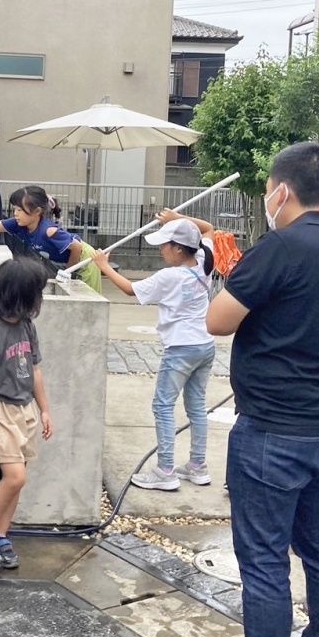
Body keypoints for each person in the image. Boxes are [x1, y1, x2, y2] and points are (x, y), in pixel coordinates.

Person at [206, 142, 319, 637]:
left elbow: (217, 320)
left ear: (282, 191)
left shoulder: (279, 247)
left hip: (271, 432)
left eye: (267, 191)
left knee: (264, 562)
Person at [93, 210, 215, 490]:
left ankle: (165, 471)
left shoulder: (169, 276)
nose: (160, 249)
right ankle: (197, 467)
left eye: (164, 244)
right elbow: (208, 229)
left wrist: (104, 266)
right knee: (197, 407)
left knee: (163, 406)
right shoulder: (204, 259)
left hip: (181, 348)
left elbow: (130, 290)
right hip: (205, 345)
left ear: (178, 248)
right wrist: (176, 217)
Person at [0, 257, 53, 569]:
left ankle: (2, 534)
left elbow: (35, 370)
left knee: (18, 479)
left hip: (24, 408)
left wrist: (44, 410)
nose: (39, 299)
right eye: (37, 293)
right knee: (15, 476)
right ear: (21, 294)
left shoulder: (27, 327)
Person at [0, 186, 102, 293]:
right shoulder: (18, 224)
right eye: (14, 209)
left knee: (89, 305)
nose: (15, 213)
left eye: (20, 210)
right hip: (71, 262)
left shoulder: (49, 231)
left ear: (37, 211)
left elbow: (76, 248)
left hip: (86, 260)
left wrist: (69, 272)